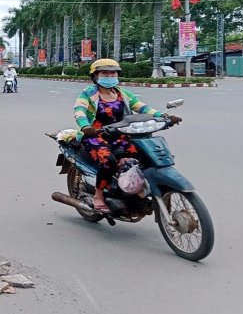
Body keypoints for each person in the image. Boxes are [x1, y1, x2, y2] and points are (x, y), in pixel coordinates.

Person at [74, 59, 182, 213]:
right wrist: (86, 126)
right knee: (108, 161)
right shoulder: (88, 93)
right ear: (95, 76)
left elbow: (142, 107)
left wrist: (163, 117)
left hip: (120, 133)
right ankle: (98, 195)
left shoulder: (122, 93)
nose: (110, 76)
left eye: (113, 73)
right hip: (96, 135)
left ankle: (136, 189)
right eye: (105, 73)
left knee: (146, 155)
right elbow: (79, 110)